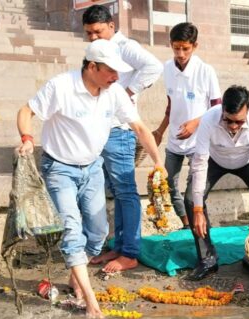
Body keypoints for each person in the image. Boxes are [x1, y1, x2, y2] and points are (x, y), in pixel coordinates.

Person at [14, 40, 161, 319]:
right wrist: (27, 139)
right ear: (91, 67)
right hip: (60, 168)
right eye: (110, 71)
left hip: (92, 168)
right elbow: (25, 111)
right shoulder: (61, 86)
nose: (116, 77)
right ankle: (91, 304)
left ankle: (75, 275)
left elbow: (139, 127)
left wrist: (159, 162)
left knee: (96, 234)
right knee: (72, 230)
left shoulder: (114, 92)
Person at [82, 4, 164, 274]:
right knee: (117, 192)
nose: (94, 37)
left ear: (111, 27)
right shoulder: (96, 53)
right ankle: (119, 245)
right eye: (89, 33)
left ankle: (129, 253)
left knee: (126, 192)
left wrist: (130, 89)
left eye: (98, 31)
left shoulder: (124, 46)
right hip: (101, 129)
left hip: (120, 130)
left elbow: (153, 66)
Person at [185, 85, 249, 281]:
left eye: (239, 122)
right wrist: (198, 210)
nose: (233, 126)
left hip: (247, 161)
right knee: (191, 200)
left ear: (248, 111)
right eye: (228, 120)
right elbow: (199, 162)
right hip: (214, 161)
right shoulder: (209, 118)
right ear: (222, 109)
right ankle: (207, 258)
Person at [153, 22, 222, 229]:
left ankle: (200, 226)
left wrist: (195, 123)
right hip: (175, 140)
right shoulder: (167, 68)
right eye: (176, 48)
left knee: (195, 191)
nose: (180, 53)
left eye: (185, 48)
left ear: (195, 46)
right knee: (169, 185)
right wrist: (160, 130)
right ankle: (187, 223)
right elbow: (171, 104)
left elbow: (217, 108)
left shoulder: (205, 71)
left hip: (198, 142)